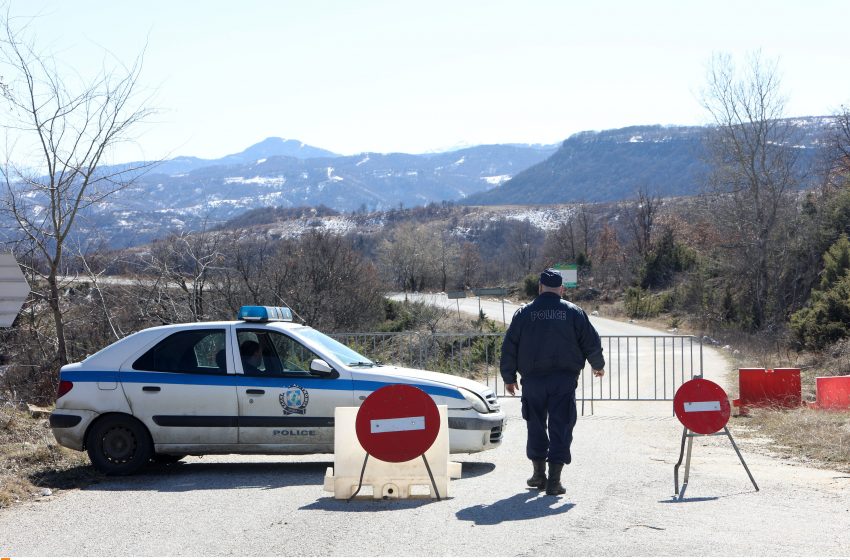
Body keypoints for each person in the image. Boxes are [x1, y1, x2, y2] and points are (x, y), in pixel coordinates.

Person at [500, 268, 605, 496]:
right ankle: (554, 482)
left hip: (533, 382)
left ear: (539, 288)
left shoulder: (523, 313)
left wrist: (509, 378)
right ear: (561, 289)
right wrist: (598, 365)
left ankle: (539, 475)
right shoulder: (574, 312)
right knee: (561, 425)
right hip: (564, 381)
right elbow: (590, 341)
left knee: (535, 424)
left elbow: (509, 347)